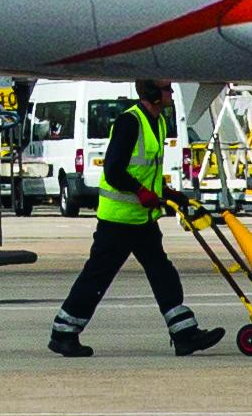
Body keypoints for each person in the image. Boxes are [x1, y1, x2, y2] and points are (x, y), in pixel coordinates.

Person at [49, 94, 217, 358]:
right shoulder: (130, 122)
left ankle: (184, 333)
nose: (172, 94)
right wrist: (140, 192)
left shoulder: (159, 121)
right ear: (153, 92)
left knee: (162, 272)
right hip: (118, 220)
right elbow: (114, 170)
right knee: (97, 277)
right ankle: (63, 333)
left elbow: (147, 171)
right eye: (166, 89)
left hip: (142, 220)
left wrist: (172, 195)